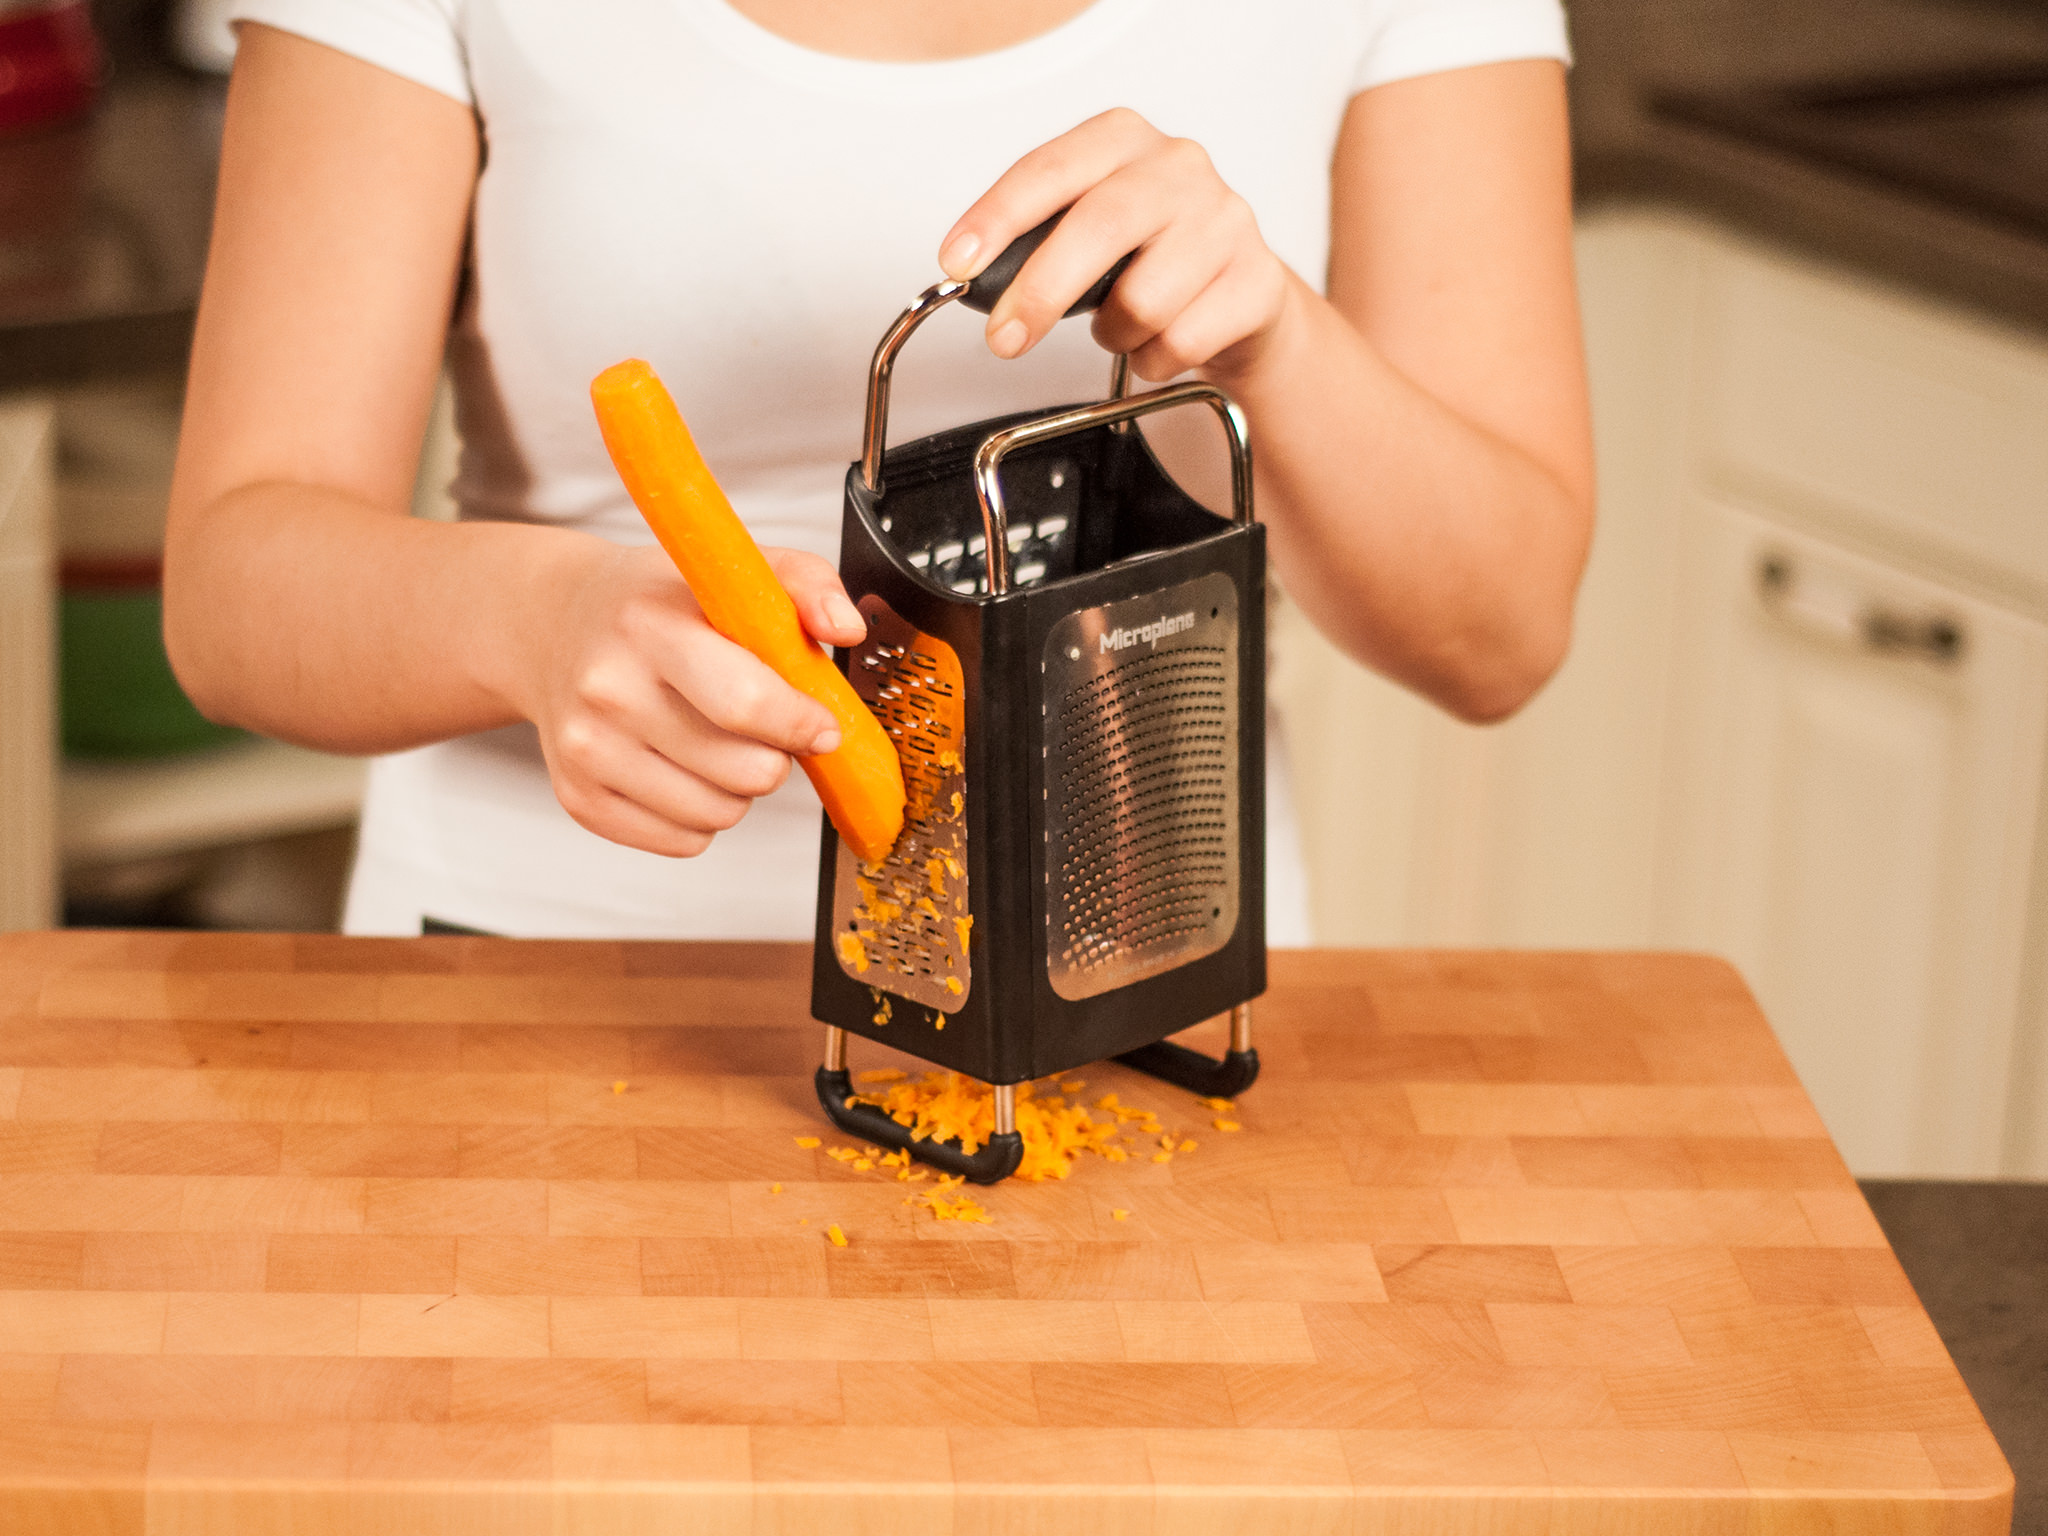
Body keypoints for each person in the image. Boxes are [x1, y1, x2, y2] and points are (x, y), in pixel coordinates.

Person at [164, 0, 1593, 942]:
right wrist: (532, 621)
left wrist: (1278, 338)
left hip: (1139, 983)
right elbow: (235, 586)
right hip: (534, 971)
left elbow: (1502, 635)